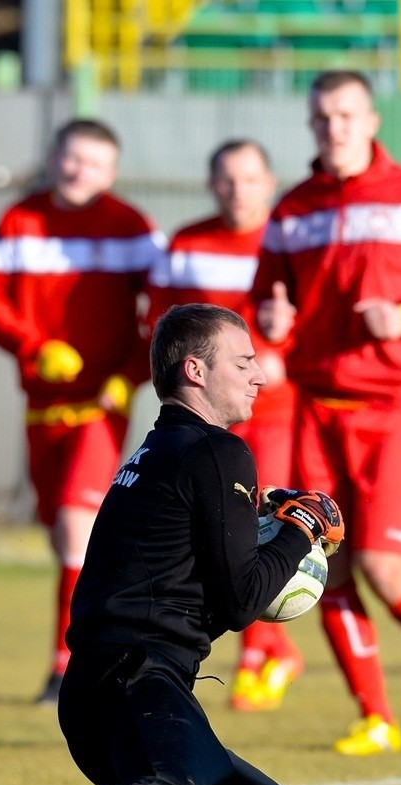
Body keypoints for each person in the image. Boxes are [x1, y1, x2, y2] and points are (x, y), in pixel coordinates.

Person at [0, 302, 344, 785]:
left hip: (113, 688)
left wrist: (267, 524)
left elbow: (197, 577)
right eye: (242, 361)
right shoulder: (217, 453)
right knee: (177, 782)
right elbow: (241, 602)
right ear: (195, 370)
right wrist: (300, 533)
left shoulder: (158, 450)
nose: (259, 375)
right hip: (136, 682)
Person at [252, 69, 401, 756]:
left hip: (395, 404)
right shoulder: (294, 208)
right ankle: (374, 717)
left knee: (386, 566)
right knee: (324, 560)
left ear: (371, 119)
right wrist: (272, 315)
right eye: (323, 117)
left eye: (347, 115)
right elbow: (269, 298)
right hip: (316, 405)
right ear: (311, 124)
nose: (335, 127)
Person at [0, 118, 165, 703]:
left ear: (111, 172)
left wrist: (127, 378)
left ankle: (69, 667)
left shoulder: (130, 225)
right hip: (41, 407)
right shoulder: (19, 220)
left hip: (98, 408)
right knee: (65, 540)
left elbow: (159, 312)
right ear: (54, 158)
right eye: (72, 158)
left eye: (95, 162)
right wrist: (33, 348)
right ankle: (113, 647)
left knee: (73, 526)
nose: (80, 170)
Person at [146, 140, 302, 714]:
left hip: (273, 411)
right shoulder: (187, 243)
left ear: (270, 181)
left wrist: (286, 341)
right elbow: (162, 325)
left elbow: (318, 315)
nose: (238, 190)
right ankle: (273, 649)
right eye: (227, 179)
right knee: (208, 532)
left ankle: (261, 655)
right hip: (205, 413)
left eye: (250, 178)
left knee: (255, 525)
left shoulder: (288, 239)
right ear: (212, 184)